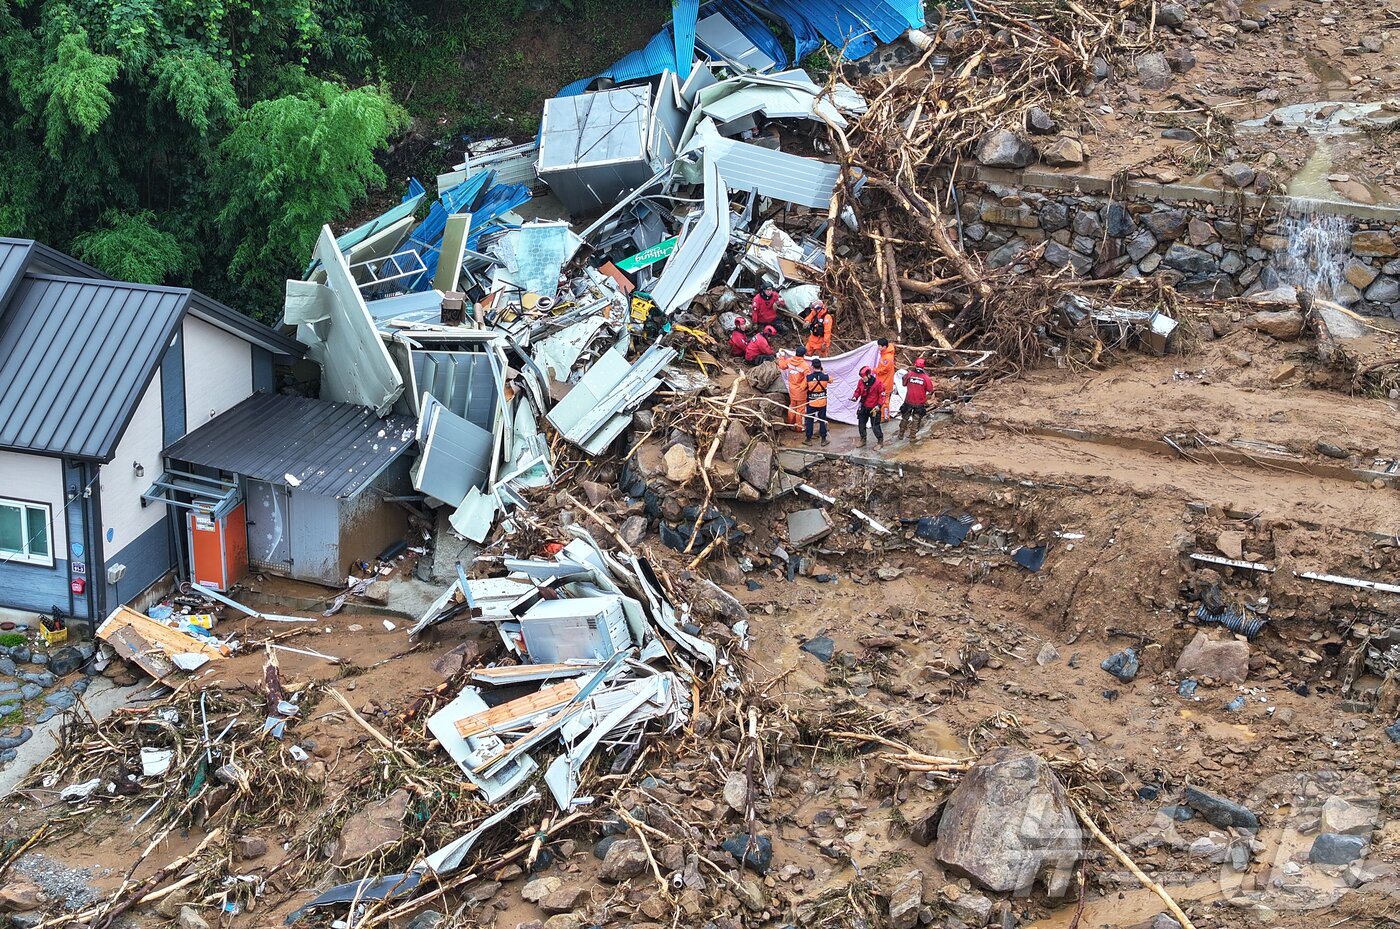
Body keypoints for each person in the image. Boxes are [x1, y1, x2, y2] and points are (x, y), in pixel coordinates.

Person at [899, 358, 936, 441]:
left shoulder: (909, 374)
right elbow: (930, 389)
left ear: (915, 365)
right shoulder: (926, 378)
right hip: (919, 402)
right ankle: (912, 437)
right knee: (916, 419)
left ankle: (900, 434)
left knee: (905, 417)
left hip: (908, 400)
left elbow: (904, 383)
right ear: (924, 366)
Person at [776, 347, 812, 431]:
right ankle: (799, 428)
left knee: (792, 406)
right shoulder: (805, 365)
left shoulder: (789, 361)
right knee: (800, 409)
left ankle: (790, 424)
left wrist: (781, 357)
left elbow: (782, 365)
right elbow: (807, 378)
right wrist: (803, 388)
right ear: (803, 355)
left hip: (792, 389)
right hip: (800, 391)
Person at [852, 365, 886, 448]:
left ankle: (880, 441)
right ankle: (863, 439)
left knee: (875, 426)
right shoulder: (860, 382)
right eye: (861, 377)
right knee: (861, 424)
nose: (863, 379)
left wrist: (879, 405)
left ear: (868, 375)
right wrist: (855, 396)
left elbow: (882, 395)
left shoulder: (878, 383)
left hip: (874, 408)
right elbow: (858, 390)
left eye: (864, 377)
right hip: (864, 406)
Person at [804, 359, 830, 446]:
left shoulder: (808, 378)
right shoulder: (826, 377)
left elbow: (802, 387)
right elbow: (831, 380)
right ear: (821, 366)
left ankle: (808, 439)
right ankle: (823, 439)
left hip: (812, 402)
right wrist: (823, 373)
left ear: (812, 366)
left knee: (809, 420)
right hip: (822, 402)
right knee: (822, 420)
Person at [874, 338, 897, 421]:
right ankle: (883, 416)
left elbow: (883, 370)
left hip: (885, 382)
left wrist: (874, 370)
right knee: (883, 399)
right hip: (884, 381)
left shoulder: (887, 357)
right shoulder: (885, 354)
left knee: (884, 401)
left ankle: (885, 417)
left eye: (880, 346)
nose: (878, 348)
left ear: (884, 346)